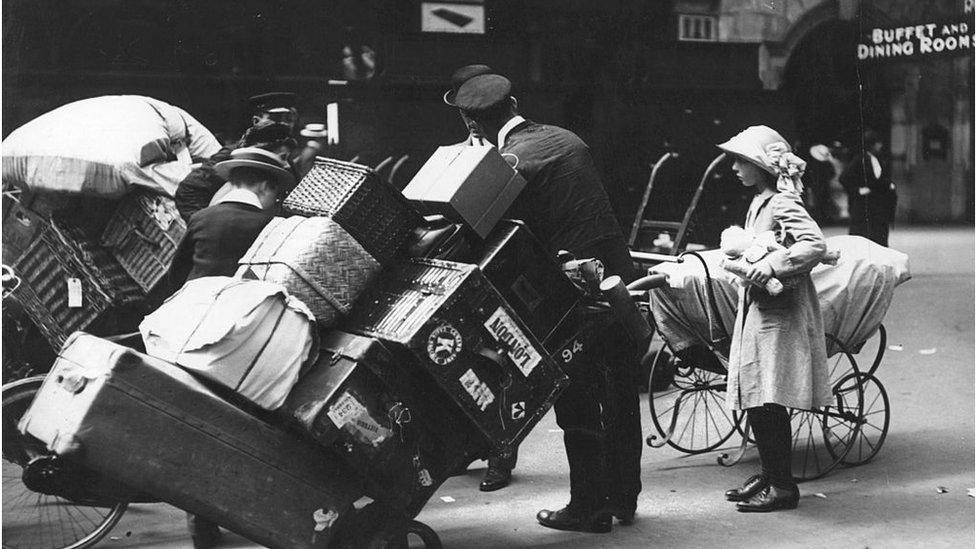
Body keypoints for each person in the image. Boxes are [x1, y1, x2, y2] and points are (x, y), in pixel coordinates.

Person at [454, 73, 642, 533]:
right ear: (515, 103)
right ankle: (622, 497)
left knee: (577, 396)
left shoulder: (504, 162)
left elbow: (489, 232)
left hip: (572, 294)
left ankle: (588, 508)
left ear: (471, 124)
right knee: (620, 390)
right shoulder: (566, 139)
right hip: (618, 282)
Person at [169, 146, 295, 549]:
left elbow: (175, 276)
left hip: (191, 336)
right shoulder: (275, 225)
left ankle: (201, 522)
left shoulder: (203, 218)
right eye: (274, 190)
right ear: (262, 184)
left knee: (200, 428)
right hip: (247, 343)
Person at [716, 126, 832, 513]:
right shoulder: (760, 201)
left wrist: (772, 264)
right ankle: (769, 473)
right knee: (756, 393)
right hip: (761, 307)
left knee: (769, 395)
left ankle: (783, 486)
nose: (734, 167)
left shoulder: (782, 202)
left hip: (780, 313)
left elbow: (813, 244)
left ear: (761, 165)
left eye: (741, 161)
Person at [442, 63, 524, 493]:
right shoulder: (458, 150)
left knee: (501, 359)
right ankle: (475, 442)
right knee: (468, 358)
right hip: (472, 267)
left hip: (504, 266)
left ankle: (500, 450)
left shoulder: (509, 149)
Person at [175, 120, 296, 222]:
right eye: (283, 157)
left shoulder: (284, 169)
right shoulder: (233, 161)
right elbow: (187, 190)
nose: (287, 165)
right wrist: (201, 223)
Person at [836, 129, 897, 247]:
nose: (880, 145)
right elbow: (844, 177)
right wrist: (857, 190)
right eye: (878, 143)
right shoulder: (860, 159)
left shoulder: (878, 159)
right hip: (864, 205)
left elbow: (878, 180)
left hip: (877, 205)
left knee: (879, 236)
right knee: (863, 238)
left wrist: (888, 185)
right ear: (872, 144)